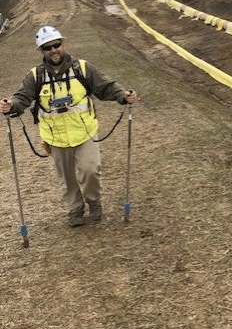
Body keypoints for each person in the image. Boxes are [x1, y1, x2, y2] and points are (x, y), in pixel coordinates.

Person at [0, 26, 138, 227]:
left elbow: (105, 86)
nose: (53, 50)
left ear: (62, 44)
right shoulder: (35, 76)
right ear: (42, 51)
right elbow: (22, 97)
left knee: (90, 170)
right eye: (47, 47)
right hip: (55, 138)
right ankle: (75, 210)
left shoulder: (82, 68)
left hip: (84, 133)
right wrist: (11, 105)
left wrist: (123, 95)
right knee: (66, 178)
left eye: (56, 45)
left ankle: (94, 202)